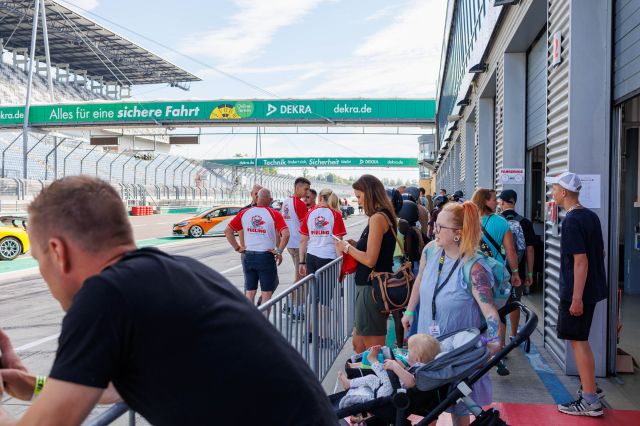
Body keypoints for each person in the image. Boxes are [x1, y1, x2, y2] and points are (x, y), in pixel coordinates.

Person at [0, 176, 335, 426]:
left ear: (57, 252)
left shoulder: (106, 294)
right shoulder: (175, 271)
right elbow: (119, 388)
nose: (43, 274)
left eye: (39, 258)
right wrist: (33, 387)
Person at [402, 201, 501, 426]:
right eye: (434, 226)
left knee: (460, 405)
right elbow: (420, 281)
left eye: (439, 228)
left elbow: (490, 313)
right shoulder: (430, 251)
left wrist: (493, 343)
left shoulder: (474, 268)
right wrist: (409, 310)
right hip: (428, 346)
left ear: (458, 234)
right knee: (426, 406)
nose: (433, 231)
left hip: (457, 354)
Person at [545, 172, 607, 417]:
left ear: (564, 192)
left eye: (554, 189)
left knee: (578, 341)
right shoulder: (590, 216)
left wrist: (576, 297)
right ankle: (590, 386)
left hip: (577, 292)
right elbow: (598, 254)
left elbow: (580, 260)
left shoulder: (571, 221)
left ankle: (590, 400)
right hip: (591, 288)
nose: (552, 193)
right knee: (582, 340)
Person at [335, 175, 397, 353]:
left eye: (360, 197)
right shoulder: (383, 216)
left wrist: (347, 247)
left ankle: (377, 379)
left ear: (369, 194)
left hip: (371, 288)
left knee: (371, 350)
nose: (359, 202)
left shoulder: (377, 218)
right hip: (371, 287)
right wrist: (357, 245)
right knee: (360, 345)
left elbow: (370, 260)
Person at [471, 188, 522, 376]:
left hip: (474, 275)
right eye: (493, 199)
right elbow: (510, 251)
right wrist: (515, 273)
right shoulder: (501, 222)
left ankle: (476, 351)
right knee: (498, 314)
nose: (496, 202)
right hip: (497, 276)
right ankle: (497, 354)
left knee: (477, 314)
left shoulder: (469, 221)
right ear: (485, 201)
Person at [336, 335, 441, 409]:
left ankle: (373, 360)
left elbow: (412, 382)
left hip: (390, 392)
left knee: (384, 375)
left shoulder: (421, 369)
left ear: (417, 358)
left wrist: (396, 367)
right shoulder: (422, 367)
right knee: (371, 378)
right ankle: (349, 383)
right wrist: (402, 366)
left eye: (409, 351)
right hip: (390, 387)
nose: (407, 353)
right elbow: (408, 374)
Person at [225, 188, 290, 305]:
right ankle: (263, 321)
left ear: (257, 198)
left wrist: (238, 248)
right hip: (266, 256)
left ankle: (250, 320)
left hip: (248, 255)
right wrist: (279, 251)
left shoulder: (244, 213)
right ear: (270, 200)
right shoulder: (274, 214)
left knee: (250, 292)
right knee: (266, 294)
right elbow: (286, 234)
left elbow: (228, 231)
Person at [497, 189, 536, 344]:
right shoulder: (525, 222)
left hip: (498, 270)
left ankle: (501, 343)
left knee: (499, 306)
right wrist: (530, 274)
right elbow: (530, 249)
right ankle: (514, 335)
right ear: (514, 201)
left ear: (503, 202)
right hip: (517, 271)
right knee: (514, 302)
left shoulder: (496, 220)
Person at [281, 177, 311, 317]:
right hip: (299, 245)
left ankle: (291, 304)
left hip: (290, 244)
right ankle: (295, 307)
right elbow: (307, 226)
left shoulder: (286, 202)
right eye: (305, 189)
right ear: (297, 188)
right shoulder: (298, 204)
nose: (307, 193)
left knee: (299, 276)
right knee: (301, 278)